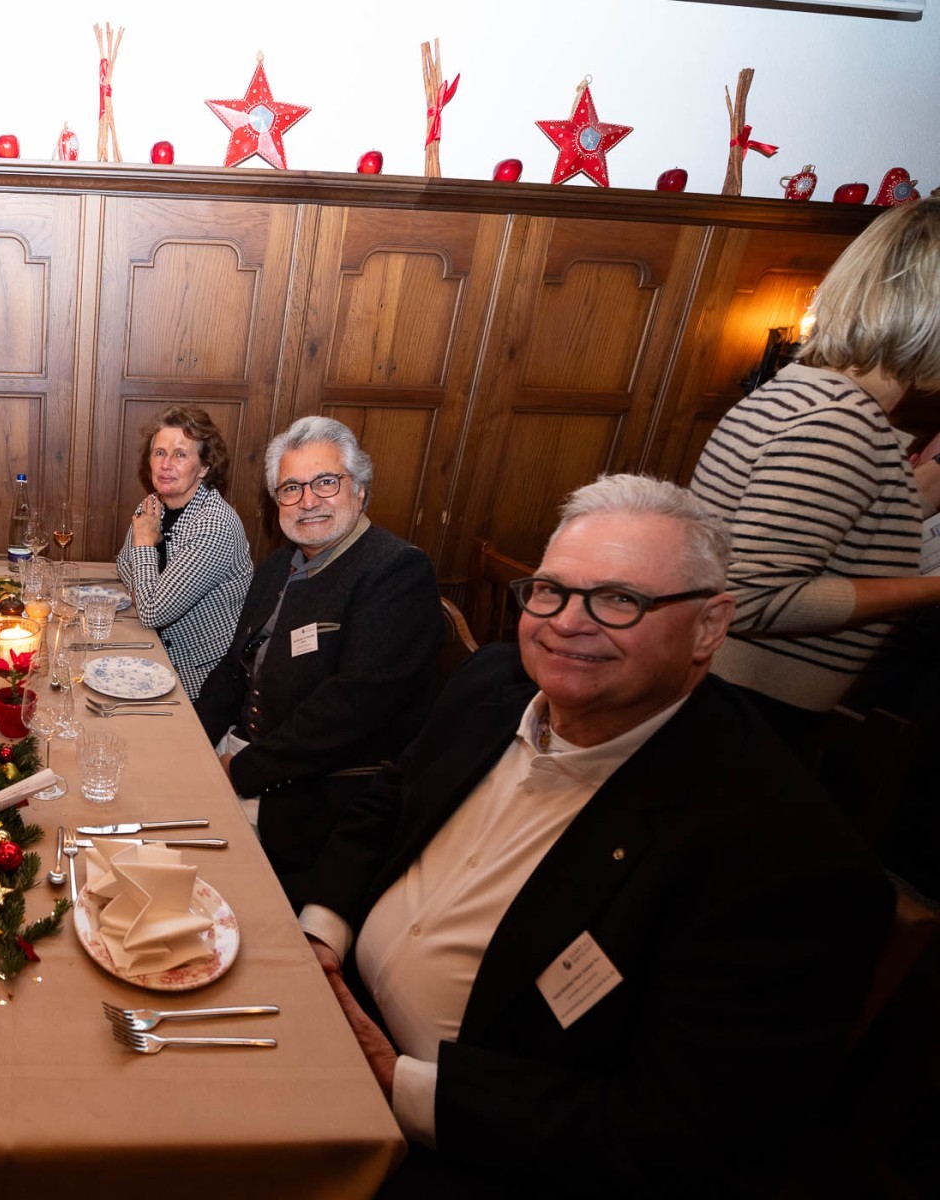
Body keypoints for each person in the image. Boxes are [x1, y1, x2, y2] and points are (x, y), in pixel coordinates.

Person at [301, 475, 892, 1198]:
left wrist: (396, 1081)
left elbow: (682, 1137)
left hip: (470, 1145)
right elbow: (387, 803)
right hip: (335, 1011)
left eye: (619, 600)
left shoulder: (786, 863)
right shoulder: (493, 682)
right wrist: (321, 938)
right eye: (551, 591)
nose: (567, 623)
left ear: (710, 625)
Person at [690, 195, 940, 743]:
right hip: (746, 706)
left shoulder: (809, 393)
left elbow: (835, 525)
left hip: (729, 692)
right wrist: (930, 589)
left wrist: (917, 491)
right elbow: (754, 602)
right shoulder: (839, 423)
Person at [195, 415, 441, 906]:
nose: (308, 501)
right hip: (242, 753)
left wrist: (238, 770)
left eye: (326, 482)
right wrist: (192, 743)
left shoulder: (396, 572)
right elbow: (232, 671)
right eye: (291, 488)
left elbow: (349, 711)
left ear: (360, 490)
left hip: (310, 795)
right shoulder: (277, 566)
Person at [115, 405, 252, 699]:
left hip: (198, 679)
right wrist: (147, 590)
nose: (165, 464)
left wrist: (144, 545)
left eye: (180, 455)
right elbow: (123, 563)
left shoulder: (214, 525)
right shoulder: (154, 504)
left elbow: (151, 612)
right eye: (159, 453)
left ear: (204, 467)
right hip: (155, 654)